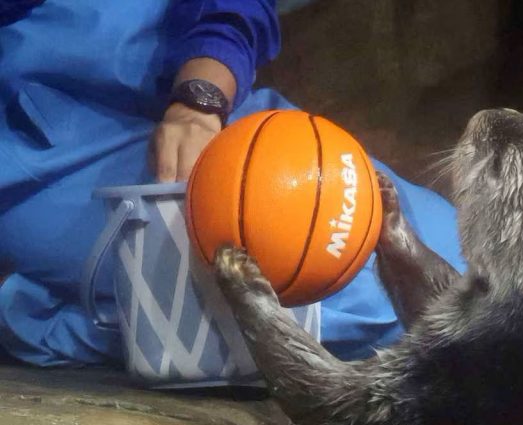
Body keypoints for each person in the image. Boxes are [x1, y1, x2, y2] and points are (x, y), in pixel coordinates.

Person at [0, 0, 463, 368]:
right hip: (40, 138)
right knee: (381, 311)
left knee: (460, 257)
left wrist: (200, 101)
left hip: (201, 99)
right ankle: (46, 313)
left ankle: (41, 315)